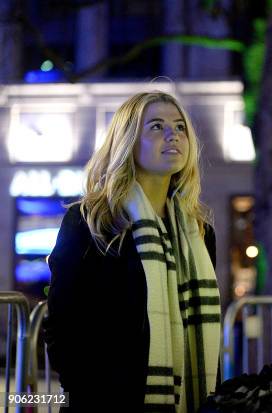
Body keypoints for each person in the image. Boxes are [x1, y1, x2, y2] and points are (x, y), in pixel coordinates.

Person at [43, 91, 221, 412]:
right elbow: (62, 325)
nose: (173, 135)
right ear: (127, 142)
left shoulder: (199, 231)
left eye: (180, 127)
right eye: (156, 126)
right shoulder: (92, 220)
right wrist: (87, 390)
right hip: (106, 399)